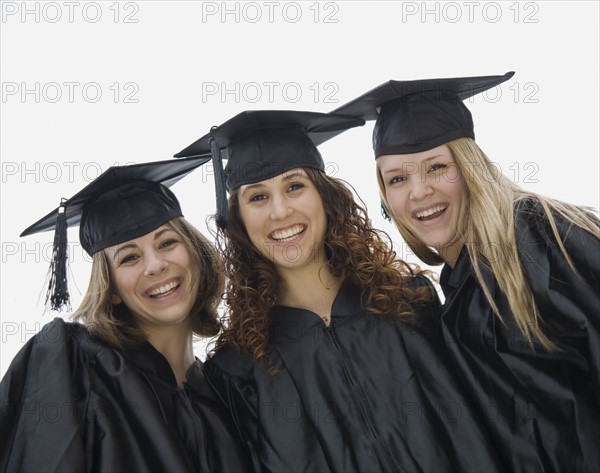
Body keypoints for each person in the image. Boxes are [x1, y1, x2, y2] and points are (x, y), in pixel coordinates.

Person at [173, 110, 511, 473]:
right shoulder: (237, 370)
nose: (280, 210)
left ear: (325, 197)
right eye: (258, 197)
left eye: (294, 186)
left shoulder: (411, 303)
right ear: (237, 219)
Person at [334, 71, 600, 472]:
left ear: (471, 167)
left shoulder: (538, 235)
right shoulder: (455, 283)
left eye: (437, 167)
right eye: (399, 178)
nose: (419, 191)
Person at [0, 158, 250, 472]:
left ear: (196, 255)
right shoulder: (77, 369)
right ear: (112, 288)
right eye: (130, 257)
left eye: (168, 242)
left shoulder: (230, 390)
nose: (155, 264)